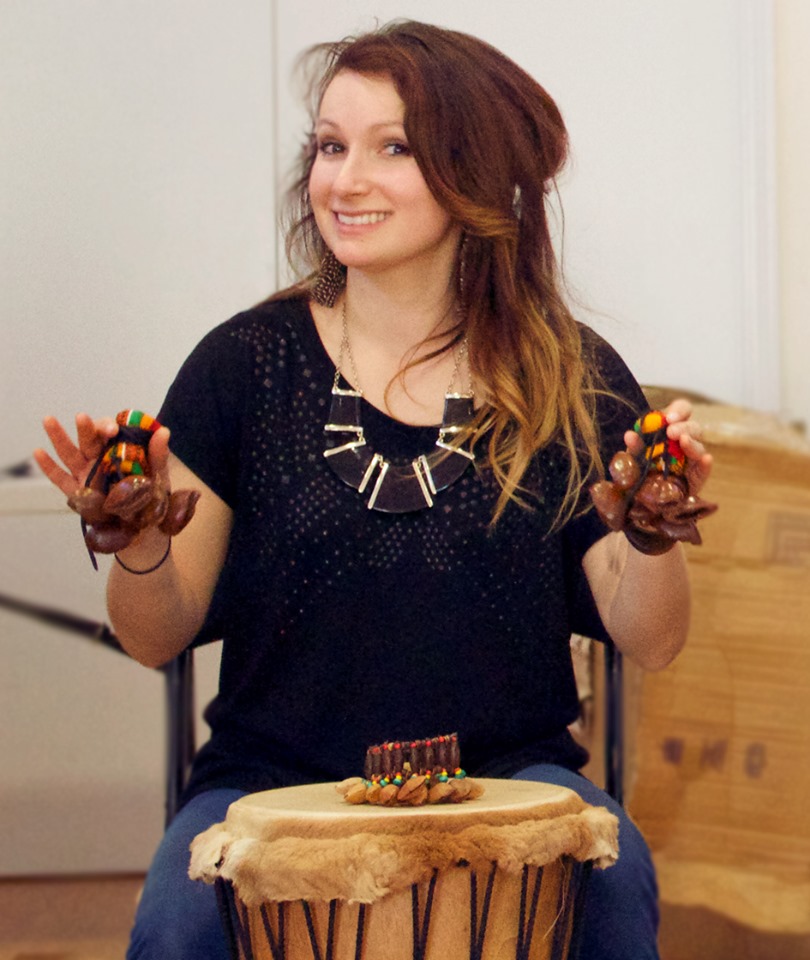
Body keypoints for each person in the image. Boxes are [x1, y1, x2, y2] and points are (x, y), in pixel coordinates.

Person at [35, 20, 712, 960]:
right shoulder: (245, 366)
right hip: (267, 785)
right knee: (176, 923)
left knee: (616, 876)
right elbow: (155, 635)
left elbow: (657, 640)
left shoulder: (569, 377)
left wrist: (648, 533)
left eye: (391, 147)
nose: (343, 180)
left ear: (474, 175)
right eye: (328, 145)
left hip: (511, 781)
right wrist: (141, 542)